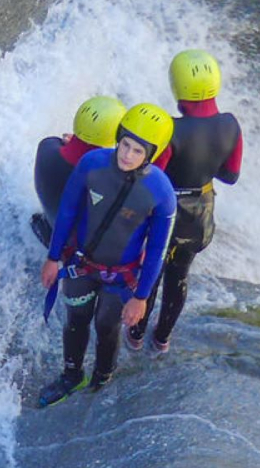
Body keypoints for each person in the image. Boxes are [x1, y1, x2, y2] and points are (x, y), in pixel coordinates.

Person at [36, 102, 178, 407]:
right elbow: (67, 211)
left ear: (151, 155)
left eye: (138, 151)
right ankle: (73, 376)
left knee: (106, 326)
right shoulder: (93, 164)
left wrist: (141, 296)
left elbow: (157, 249)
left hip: (122, 275)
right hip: (81, 264)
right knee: (76, 319)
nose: (127, 155)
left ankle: (102, 375)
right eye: (124, 144)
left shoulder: (161, 192)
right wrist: (52, 256)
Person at [126, 49, 243, 353]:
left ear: (177, 87)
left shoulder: (171, 131)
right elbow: (231, 175)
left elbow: (153, 179)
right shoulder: (231, 125)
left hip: (168, 213)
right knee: (180, 275)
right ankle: (162, 339)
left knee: (152, 272)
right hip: (200, 214)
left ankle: (136, 335)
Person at [30, 95, 128, 247]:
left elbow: (66, 148)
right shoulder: (108, 178)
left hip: (52, 228)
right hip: (82, 249)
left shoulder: (46, 147)